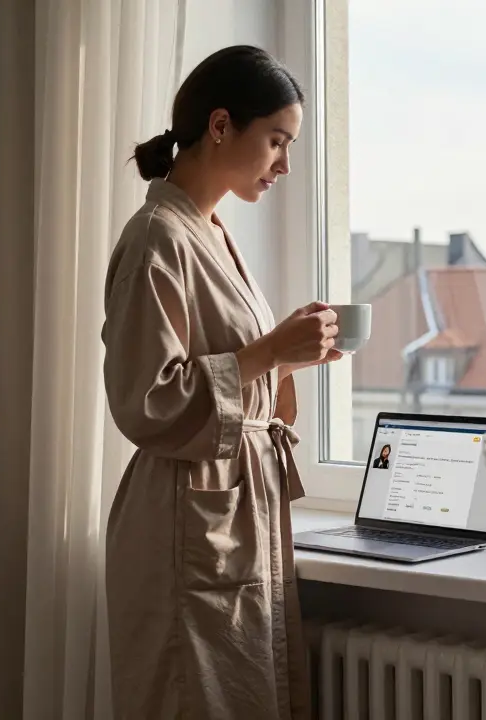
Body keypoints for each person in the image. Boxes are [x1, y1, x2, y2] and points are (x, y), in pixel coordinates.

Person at [101, 46, 340, 720]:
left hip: (230, 514)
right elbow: (146, 399)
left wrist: (291, 354)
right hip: (184, 520)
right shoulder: (157, 238)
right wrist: (267, 353)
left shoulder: (210, 231)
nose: (285, 165)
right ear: (220, 125)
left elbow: (235, 369)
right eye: (276, 141)